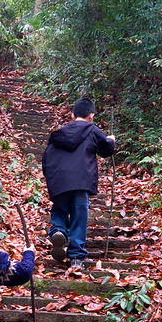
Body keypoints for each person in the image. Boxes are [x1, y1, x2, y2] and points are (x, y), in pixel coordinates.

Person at [42, 97, 115, 269]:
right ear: (91, 115)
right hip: (81, 182)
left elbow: (46, 157)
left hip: (59, 181)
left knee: (59, 210)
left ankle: (58, 231)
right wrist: (111, 140)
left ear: (73, 114)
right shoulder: (92, 130)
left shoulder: (59, 133)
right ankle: (75, 258)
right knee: (79, 216)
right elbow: (106, 150)